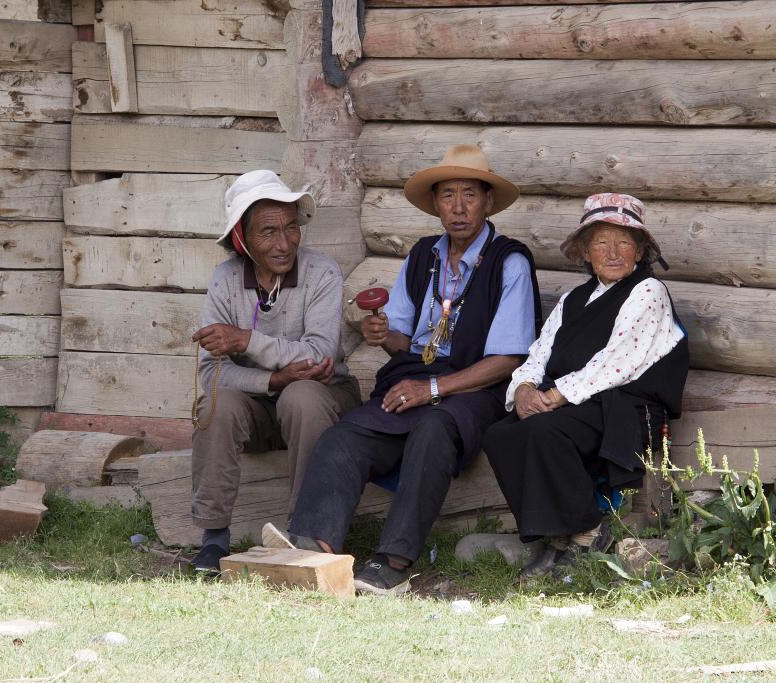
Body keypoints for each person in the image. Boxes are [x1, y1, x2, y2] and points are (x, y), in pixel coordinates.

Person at [283, 145, 541, 595]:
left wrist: (435, 389)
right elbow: (407, 344)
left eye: (469, 195)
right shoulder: (425, 256)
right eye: (447, 196)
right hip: (417, 382)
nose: (458, 208)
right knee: (344, 437)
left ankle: (393, 560)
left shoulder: (509, 262)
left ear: (488, 202)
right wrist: (385, 335)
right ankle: (315, 550)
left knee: (433, 431)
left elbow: (508, 359)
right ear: (435, 204)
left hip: (474, 391)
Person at [482, 193, 689, 578]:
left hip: (625, 407)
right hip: (577, 404)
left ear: (640, 250)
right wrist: (524, 389)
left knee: (544, 430)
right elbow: (540, 353)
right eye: (600, 242)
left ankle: (588, 529)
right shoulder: (572, 299)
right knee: (500, 435)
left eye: (624, 241)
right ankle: (560, 534)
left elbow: (616, 363)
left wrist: (554, 396)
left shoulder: (648, 292)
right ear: (584, 251)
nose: (612, 252)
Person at [189, 170, 360, 572]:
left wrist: (247, 341)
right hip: (260, 406)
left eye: (290, 228)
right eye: (268, 232)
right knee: (218, 406)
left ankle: (307, 533)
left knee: (302, 396)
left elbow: (318, 356)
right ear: (241, 239)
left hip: (325, 399)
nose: (284, 243)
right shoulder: (225, 280)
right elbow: (211, 374)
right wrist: (272, 379)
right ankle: (214, 539)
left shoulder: (321, 272)